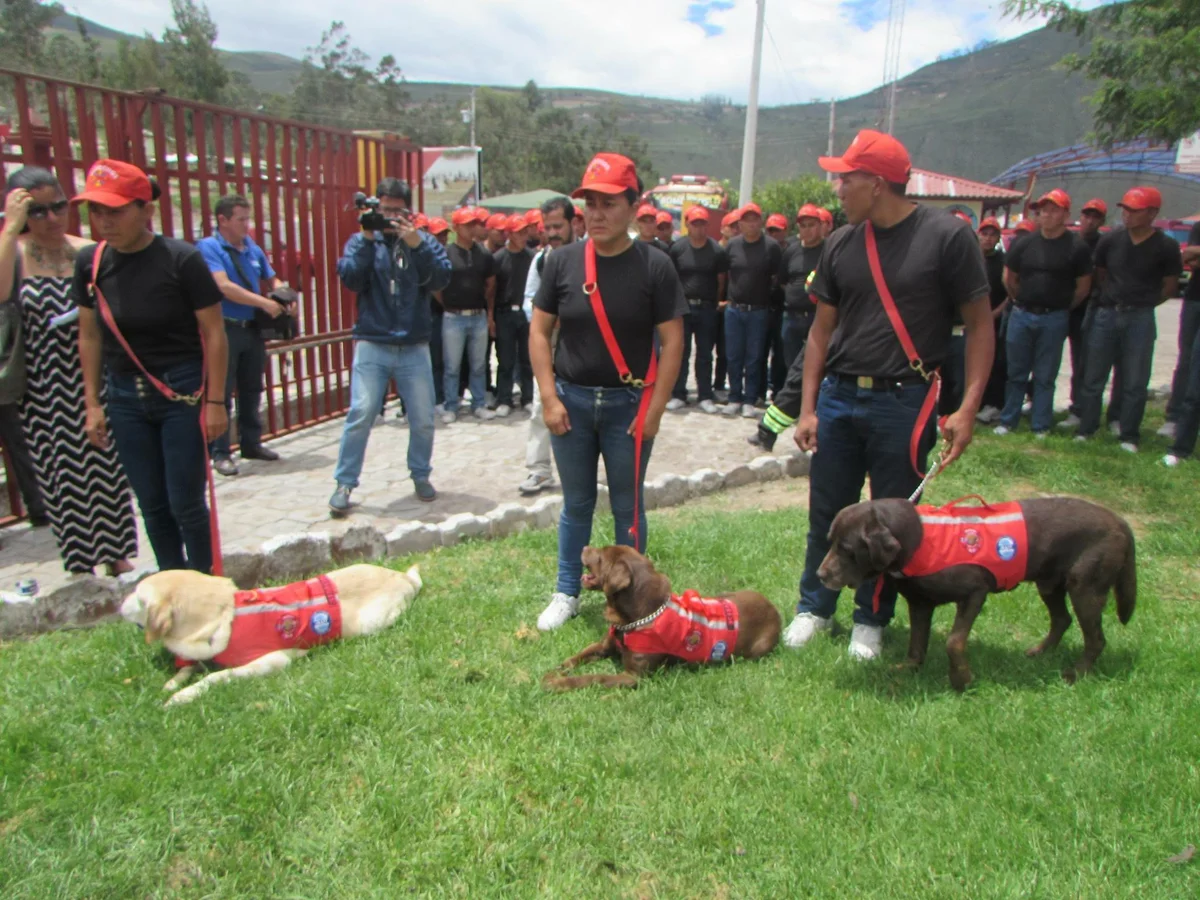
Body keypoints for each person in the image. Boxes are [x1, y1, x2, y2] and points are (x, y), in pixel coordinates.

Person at [785, 129, 993, 660]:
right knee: (827, 511)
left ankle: (871, 620)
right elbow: (820, 332)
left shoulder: (948, 238)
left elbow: (979, 326)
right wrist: (807, 408)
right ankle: (814, 607)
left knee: (888, 523)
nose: (837, 187)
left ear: (876, 184)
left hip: (906, 400)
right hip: (838, 396)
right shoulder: (840, 243)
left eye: (845, 177)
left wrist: (967, 408)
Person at [530, 153, 686, 631]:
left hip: (628, 407)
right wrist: (550, 398)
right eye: (589, 204)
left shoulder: (655, 266)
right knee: (576, 502)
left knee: (627, 503)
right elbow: (539, 333)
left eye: (608, 203)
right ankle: (567, 590)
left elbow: (673, 340)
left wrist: (654, 410)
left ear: (633, 206)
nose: (595, 214)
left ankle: (636, 596)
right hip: (572, 402)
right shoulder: (561, 262)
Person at [73, 159, 229, 574]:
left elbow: (214, 332)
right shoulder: (91, 262)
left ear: (146, 209)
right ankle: (172, 584)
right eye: (97, 211)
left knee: (186, 502)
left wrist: (215, 402)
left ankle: (204, 585)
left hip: (181, 393)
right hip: (124, 397)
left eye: (116, 210)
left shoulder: (181, 259)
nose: (105, 221)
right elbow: (89, 335)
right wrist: (93, 403)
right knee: (152, 504)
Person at [1, 166, 136, 573]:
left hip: (95, 374)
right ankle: (81, 561)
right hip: (45, 385)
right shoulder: (16, 253)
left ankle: (117, 554)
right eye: (37, 211)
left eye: (57, 206)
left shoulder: (86, 250)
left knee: (108, 470)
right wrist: (10, 228)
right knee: (64, 474)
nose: (51, 218)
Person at [329, 177, 450, 514]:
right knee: (362, 412)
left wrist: (417, 245)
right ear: (376, 208)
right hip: (373, 342)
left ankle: (421, 474)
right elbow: (351, 278)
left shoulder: (421, 241)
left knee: (424, 417)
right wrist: (369, 238)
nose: (391, 217)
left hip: (414, 345)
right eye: (385, 210)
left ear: (409, 212)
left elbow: (441, 278)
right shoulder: (361, 242)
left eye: (398, 211)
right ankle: (345, 482)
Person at [1076, 187, 1181, 451]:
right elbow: (1100, 273)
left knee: (1135, 379)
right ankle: (1086, 428)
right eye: (1125, 209)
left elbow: (1169, 286)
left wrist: (1142, 304)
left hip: (1140, 317)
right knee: (1093, 375)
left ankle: (1128, 433)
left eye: (1135, 211)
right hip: (1107, 313)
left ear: (1152, 213)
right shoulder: (1111, 240)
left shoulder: (1166, 246)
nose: (1127, 215)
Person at [196, 194, 289, 477]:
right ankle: (221, 452)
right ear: (222, 220)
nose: (247, 226)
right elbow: (223, 286)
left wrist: (284, 294)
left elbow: (272, 278)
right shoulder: (209, 248)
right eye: (241, 220)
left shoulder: (252, 247)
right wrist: (264, 303)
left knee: (252, 388)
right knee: (222, 392)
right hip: (225, 328)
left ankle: (251, 443)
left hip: (252, 330)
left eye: (248, 219)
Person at [995, 189, 1093, 437]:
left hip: (1055, 317)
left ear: (1065, 214)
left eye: (1053, 210)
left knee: (1046, 374)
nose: (1046, 215)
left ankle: (1041, 424)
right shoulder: (1025, 243)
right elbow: (1009, 277)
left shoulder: (1077, 247)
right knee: (1016, 372)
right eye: (1043, 210)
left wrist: (1061, 306)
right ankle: (1008, 420)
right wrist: (1020, 299)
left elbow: (1083, 287)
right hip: (1022, 314)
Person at [518, 196, 575, 496]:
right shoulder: (541, 260)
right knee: (544, 402)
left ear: (573, 223)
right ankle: (539, 470)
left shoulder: (592, 254)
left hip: (585, 342)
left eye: (558, 226)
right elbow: (529, 300)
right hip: (551, 342)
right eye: (547, 227)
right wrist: (549, 320)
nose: (552, 233)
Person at [721, 202, 782, 418]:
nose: (751, 223)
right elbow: (724, 274)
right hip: (734, 310)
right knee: (733, 355)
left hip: (759, 311)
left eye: (754, 219)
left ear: (760, 221)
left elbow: (777, 277)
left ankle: (750, 398)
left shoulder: (771, 246)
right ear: (740, 223)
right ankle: (734, 396)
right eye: (746, 219)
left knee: (755, 357)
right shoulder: (732, 245)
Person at [667, 205, 728, 414]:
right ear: (687, 225)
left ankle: (705, 395)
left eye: (703, 224)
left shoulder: (717, 251)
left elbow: (721, 280)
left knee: (705, 353)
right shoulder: (678, 248)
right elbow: (672, 279)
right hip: (683, 309)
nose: (699, 228)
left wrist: (716, 301)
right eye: (695, 224)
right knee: (681, 352)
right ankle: (678, 393)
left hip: (707, 309)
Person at [440, 207, 497, 424]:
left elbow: (491, 284)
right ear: (456, 228)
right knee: (452, 365)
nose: (471, 228)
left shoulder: (483, 254)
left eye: (474, 223)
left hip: (478, 316)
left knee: (479, 363)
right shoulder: (446, 253)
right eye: (466, 224)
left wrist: (489, 313)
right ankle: (451, 405)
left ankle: (479, 403)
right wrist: (447, 304)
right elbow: (437, 286)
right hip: (453, 317)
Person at [1056, 197, 1108, 430]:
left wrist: (1076, 303)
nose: (1089, 220)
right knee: (1047, 360)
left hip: (1085, 310)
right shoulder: (1069, 241)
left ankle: (1078, 409)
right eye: (1086, 215)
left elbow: (1096, 279)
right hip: (1058, 309)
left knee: (1083, 363)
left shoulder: (1103, 244)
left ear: (1101, 221)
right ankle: (1036, 402)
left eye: (1095, 216)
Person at [1161, 216, 1200, 440]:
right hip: (1195, 300)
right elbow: (1188, 258)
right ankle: (1174, 417)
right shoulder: (1198, 227)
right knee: (1186, 360)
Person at [492, 213, 534, 417]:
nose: (524, 236)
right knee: (506, 359)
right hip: (505, 314)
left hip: (525, 314)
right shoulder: (498, 258)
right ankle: (504, 398)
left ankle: (528, 397)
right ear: (509, 234)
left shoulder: (531, 257)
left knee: (527, 358)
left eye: (526, 232)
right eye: (519, 233)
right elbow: (491, 290)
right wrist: (491, 317)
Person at [974, 217, 1009, 423]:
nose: (988, 238)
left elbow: (1010, 292)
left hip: (994, 319)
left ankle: (992, 405)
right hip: (971, 322)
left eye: (992, 234)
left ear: (998, 238)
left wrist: (994, 314)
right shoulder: (969, 257)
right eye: (984, 234)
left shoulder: (1003, 261)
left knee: (994, 364)